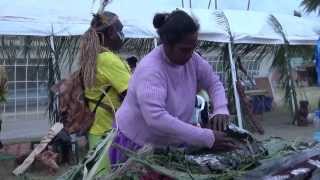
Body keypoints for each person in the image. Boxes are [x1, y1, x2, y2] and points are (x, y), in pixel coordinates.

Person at [110, 10, 235, 165]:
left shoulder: (193, 60)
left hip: (170, 141)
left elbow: (214, 83)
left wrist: (221, 109)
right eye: (184, 49)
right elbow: (156, 118)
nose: (190, 54)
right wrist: (205, 137)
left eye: (193, 47)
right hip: (137, 143)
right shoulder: (151, 69)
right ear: (167, 45)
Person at [79, 11, 131, 173]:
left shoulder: (93, 57)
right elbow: (132, 95)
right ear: (110, 32)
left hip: (97, 130)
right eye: (120, 30)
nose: (122, 35)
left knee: (96, 173)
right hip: (109, 134)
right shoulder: (108, 59)